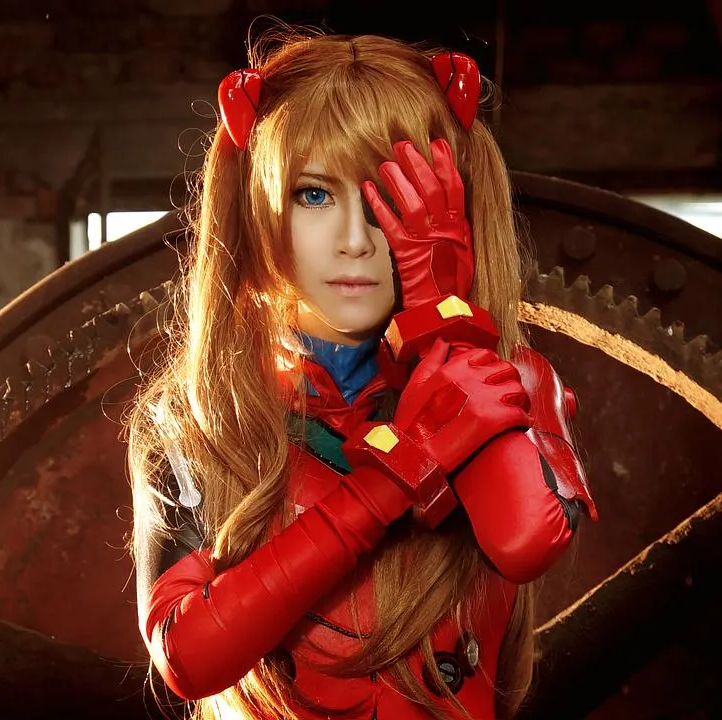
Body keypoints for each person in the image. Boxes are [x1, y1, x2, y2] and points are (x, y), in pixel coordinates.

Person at [123, 28, 597, 720]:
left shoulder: (513, 382)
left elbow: (525, 541)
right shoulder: (199, 418)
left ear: (455, 206)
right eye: (314, 195)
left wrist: (443, 320)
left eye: (392, 195)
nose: (355, 239)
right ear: (257, 208)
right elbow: (187, 655)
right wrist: (389, 482)